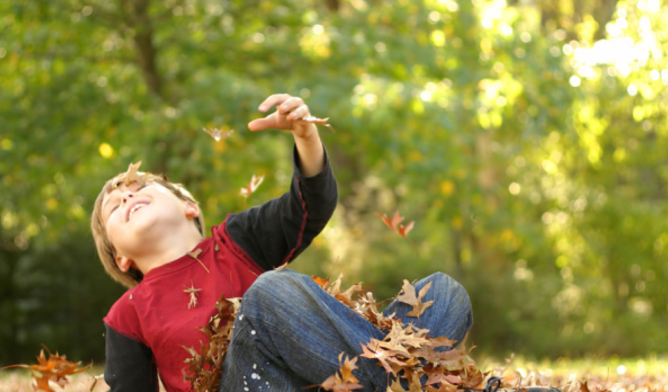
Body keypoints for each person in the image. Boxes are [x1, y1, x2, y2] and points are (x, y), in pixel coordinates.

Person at [90, 93, 474, 392]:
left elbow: (310, 205)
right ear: (120, 258)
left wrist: (307, 137)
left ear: (189, 207)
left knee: (445, 292)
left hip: (320, 380)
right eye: (113, 205)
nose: (126, 196)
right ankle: (401, 382)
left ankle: (394, 380)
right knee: (271, 289)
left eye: (140, 187)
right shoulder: (129, 314)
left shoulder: (236, 240)